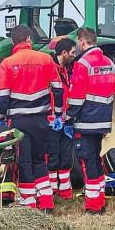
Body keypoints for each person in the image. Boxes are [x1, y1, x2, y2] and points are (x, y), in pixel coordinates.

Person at [0, 25, 63, 212]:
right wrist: (57, 115)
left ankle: (29, 202)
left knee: (25, 161)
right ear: (29, 40)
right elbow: (58, 90)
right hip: (41, 119)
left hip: (19, 122)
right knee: (40, 160)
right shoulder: (46, 59)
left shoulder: (7, 64)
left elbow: (1, 99)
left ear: (13, 42)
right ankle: (47, 201)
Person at [62, 27, 115, 214]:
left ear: (81, 41)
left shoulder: (82, 64)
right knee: (96, 158)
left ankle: (93, 206)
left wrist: (68, 117)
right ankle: (100, 200)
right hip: (103, 120)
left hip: (86, 121)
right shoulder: (110, 62)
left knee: (87, 161)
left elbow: (77, 97)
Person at [47, 37, 76, 200]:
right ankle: (52, 190)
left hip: (66, 121)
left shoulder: (67, 69)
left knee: (65, 157)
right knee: (52, 156)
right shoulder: (50, 69)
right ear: (64, 53)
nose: (74, 55)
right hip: (52, 121)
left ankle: (65, 192)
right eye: (72, 52)